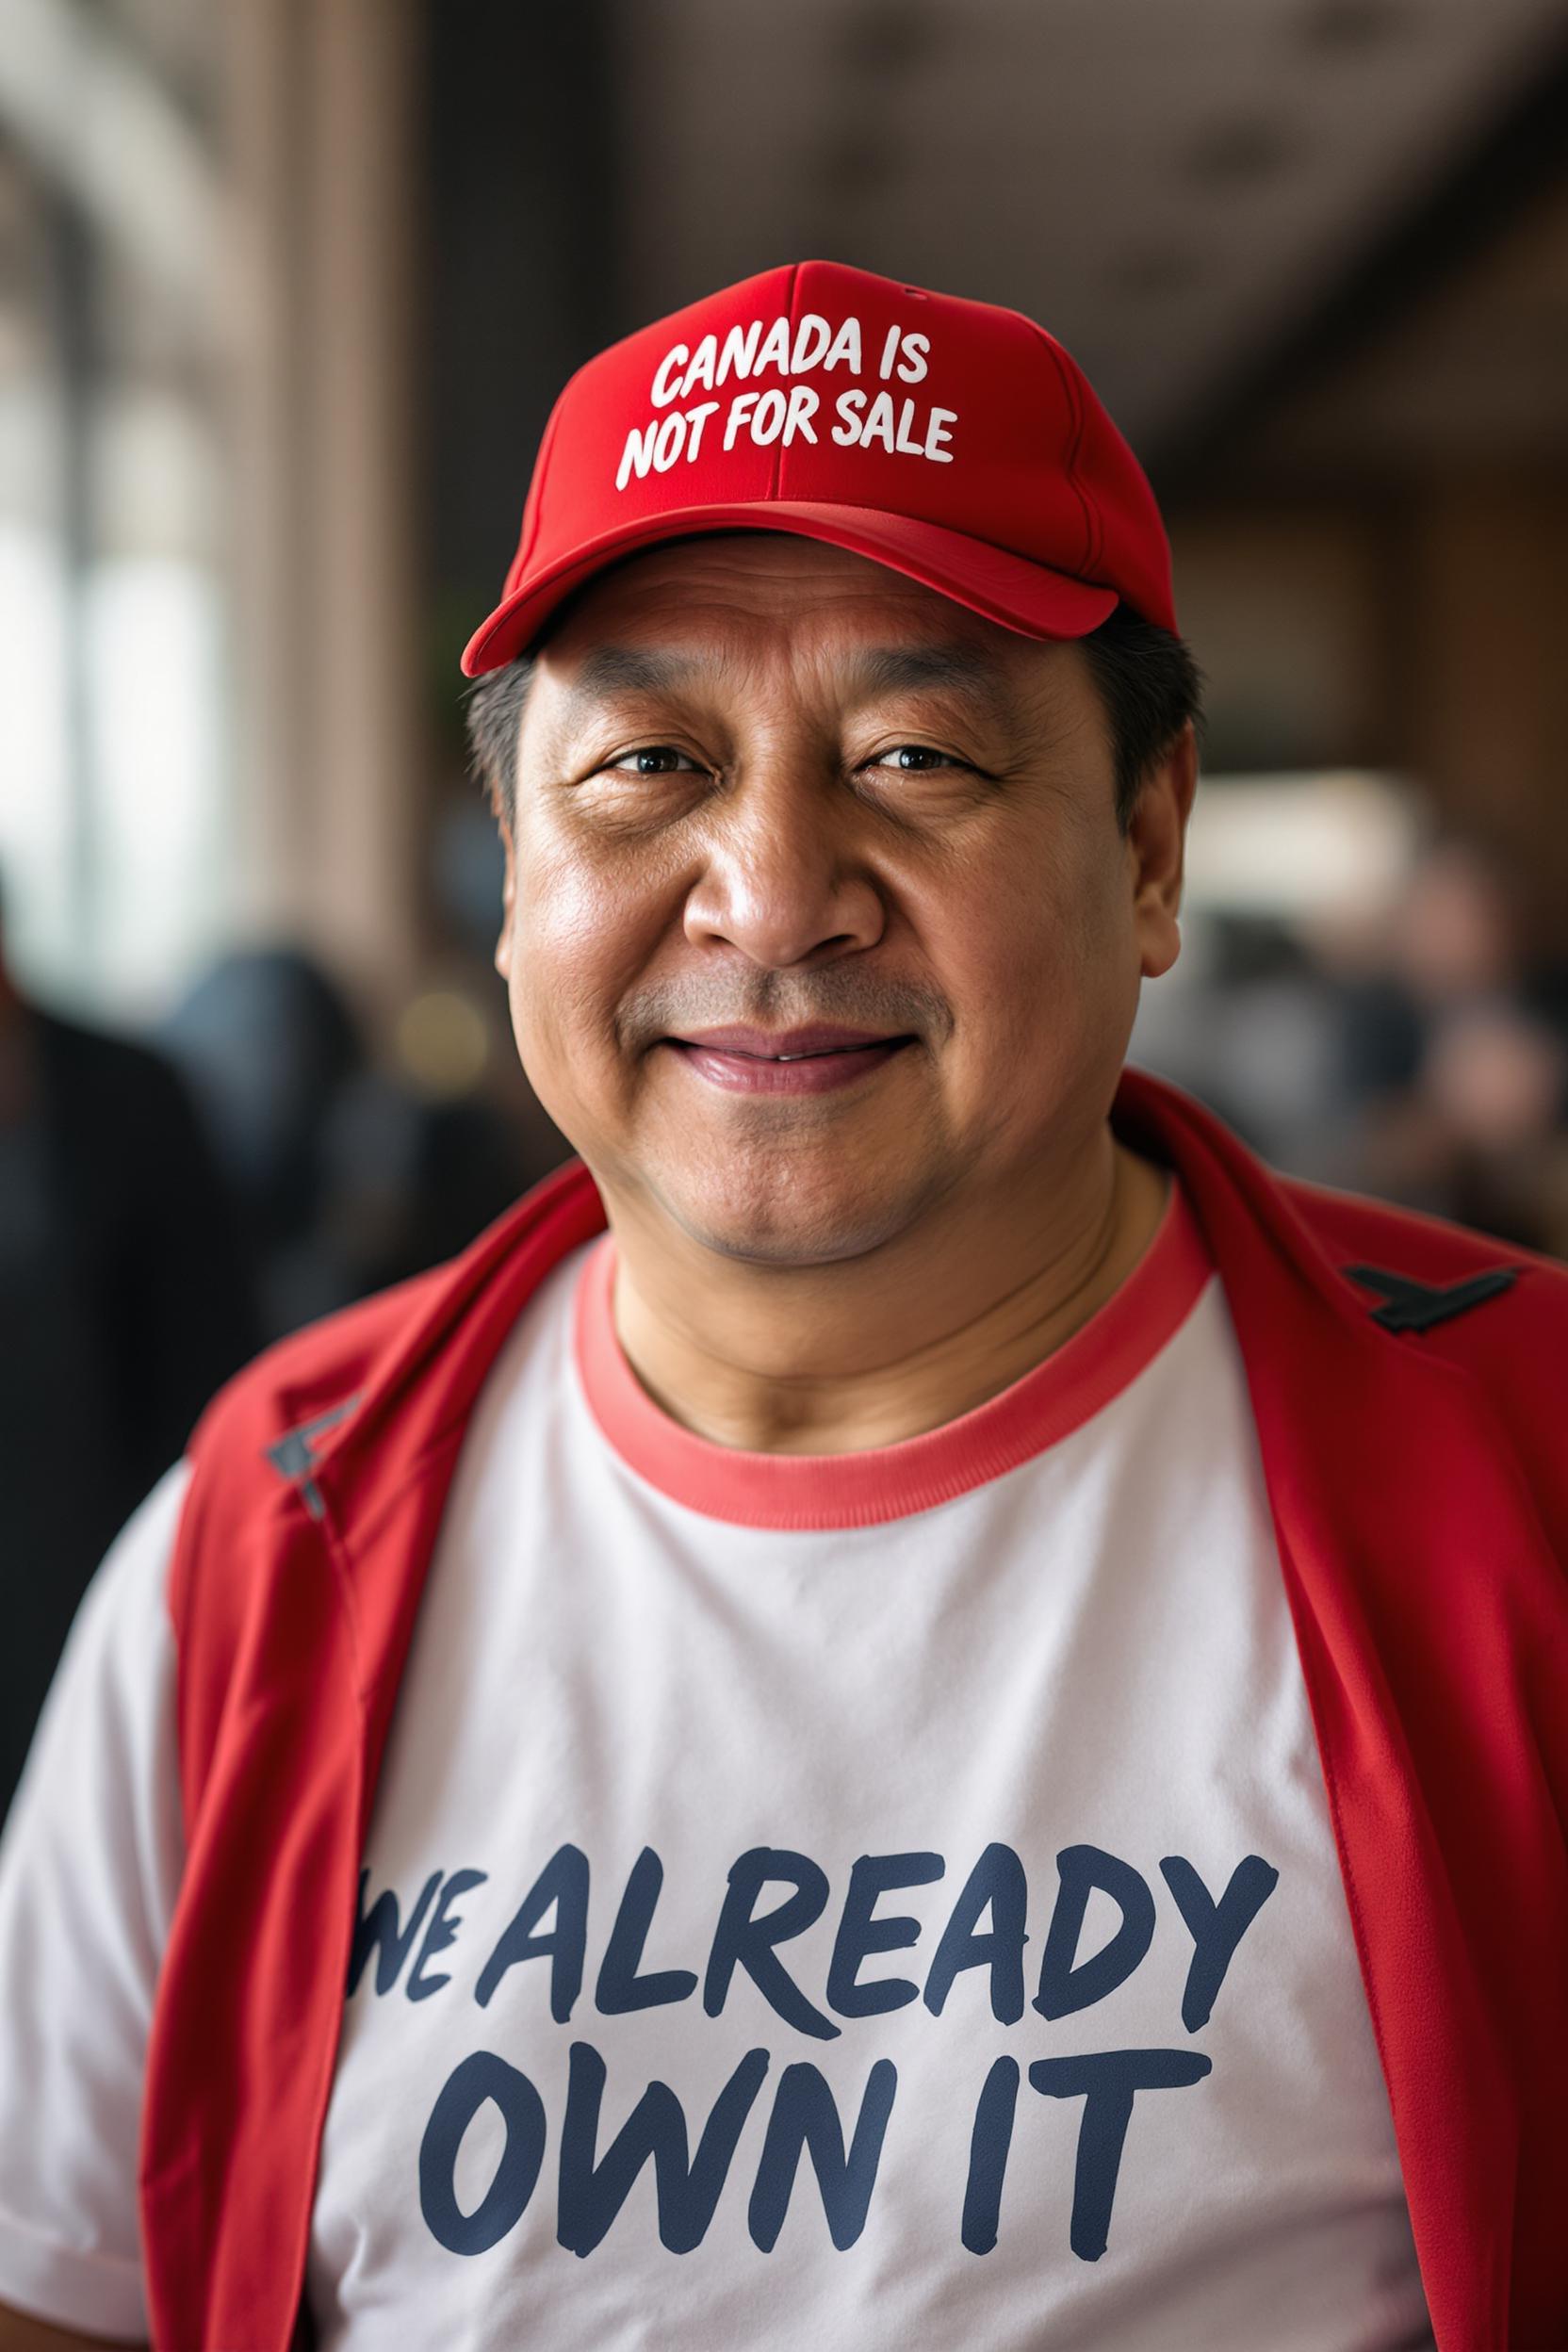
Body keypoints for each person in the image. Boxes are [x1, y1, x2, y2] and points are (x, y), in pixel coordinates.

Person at [0, 260, 1563, 2352]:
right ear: (510, 863)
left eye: (915, 756)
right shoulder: (269, 1532)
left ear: (1152, 839)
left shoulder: (1526, 1478)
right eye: (644, 765)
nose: (766, 890)